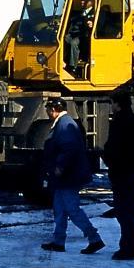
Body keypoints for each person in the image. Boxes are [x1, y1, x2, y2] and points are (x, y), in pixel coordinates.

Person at [40, 97, 105, 255]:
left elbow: (69, 148)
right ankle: (58, 241)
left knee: (72, 209)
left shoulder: (64, 124)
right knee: (60, 209)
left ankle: (94, 238)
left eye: (48, 108)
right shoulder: (64, 123)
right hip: (64, 177)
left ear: (53, 110)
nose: (47, 112)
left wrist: (60, 166)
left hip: (67, 176)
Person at [102, 92, 134, 260]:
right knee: (128, 211)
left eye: (112, 103)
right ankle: (130, 247)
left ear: (118, 104)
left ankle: (129, 249)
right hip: (133, 173)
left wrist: (108, 160)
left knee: (124, 212)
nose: (111, 106)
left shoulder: (119, 123)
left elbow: (113, 148)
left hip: (122, 174)